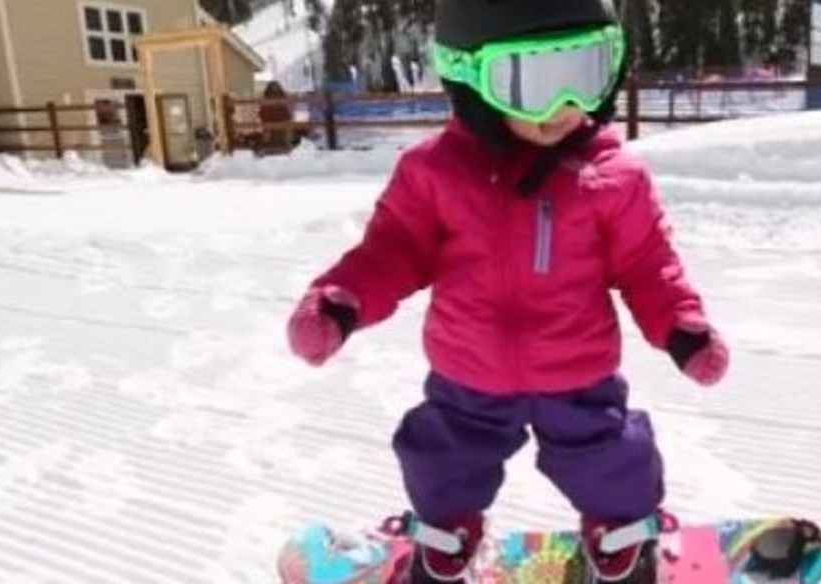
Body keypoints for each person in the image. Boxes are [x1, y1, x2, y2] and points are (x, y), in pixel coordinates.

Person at [285, 0, 729, 581]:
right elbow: (391, 250)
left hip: (577, 367)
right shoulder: (435, 173)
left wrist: (681, 325)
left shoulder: (613, 176)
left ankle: (621, 536)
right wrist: (341, 300)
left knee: (611, 459)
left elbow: (649, 263)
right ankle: (447, 534)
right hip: (467, 370)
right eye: (535, 82)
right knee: (441, 458)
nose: (565, 107)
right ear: (469, 81)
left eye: (584, 73)